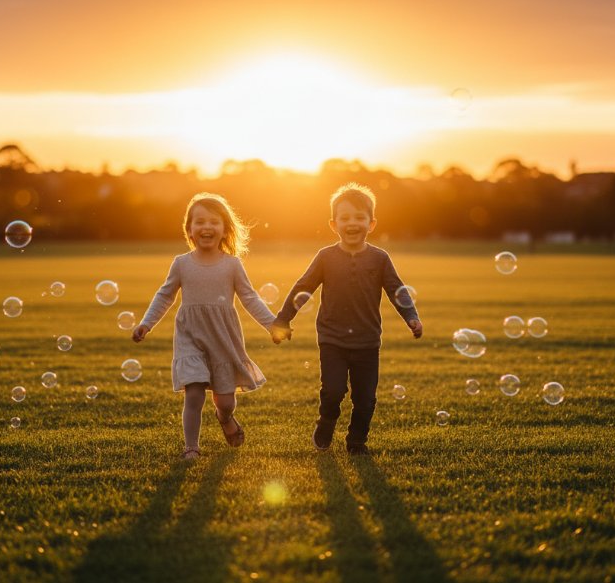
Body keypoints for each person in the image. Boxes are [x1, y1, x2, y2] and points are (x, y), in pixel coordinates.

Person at [272, 182, 423, 456]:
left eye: (359, 217)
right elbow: (302, 288)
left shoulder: (380, 258)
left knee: (365, 399)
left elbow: (397, 291)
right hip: (332, 339)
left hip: (367, 341)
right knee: (333, 390)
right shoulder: (326, 257)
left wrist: (411, 317)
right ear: (333, 224)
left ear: (372, 223)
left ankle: (356, 441)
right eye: (344, 218)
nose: (352, 223)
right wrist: (283, 319)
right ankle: (326, 422)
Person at [133, 192, 276, 460]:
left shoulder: (232, 265)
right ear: (189, 230)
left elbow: (249, 297)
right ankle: (191, 447)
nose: (206, 227)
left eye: (213, 222)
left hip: (223, 337)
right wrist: (146, 323)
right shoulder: (181, 263)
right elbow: (165, 295)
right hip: (190, 336)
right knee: (194, 392)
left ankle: (225, 417)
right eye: (199, 222)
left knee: (225, 400)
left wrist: (271, 325)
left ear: (224, 230)